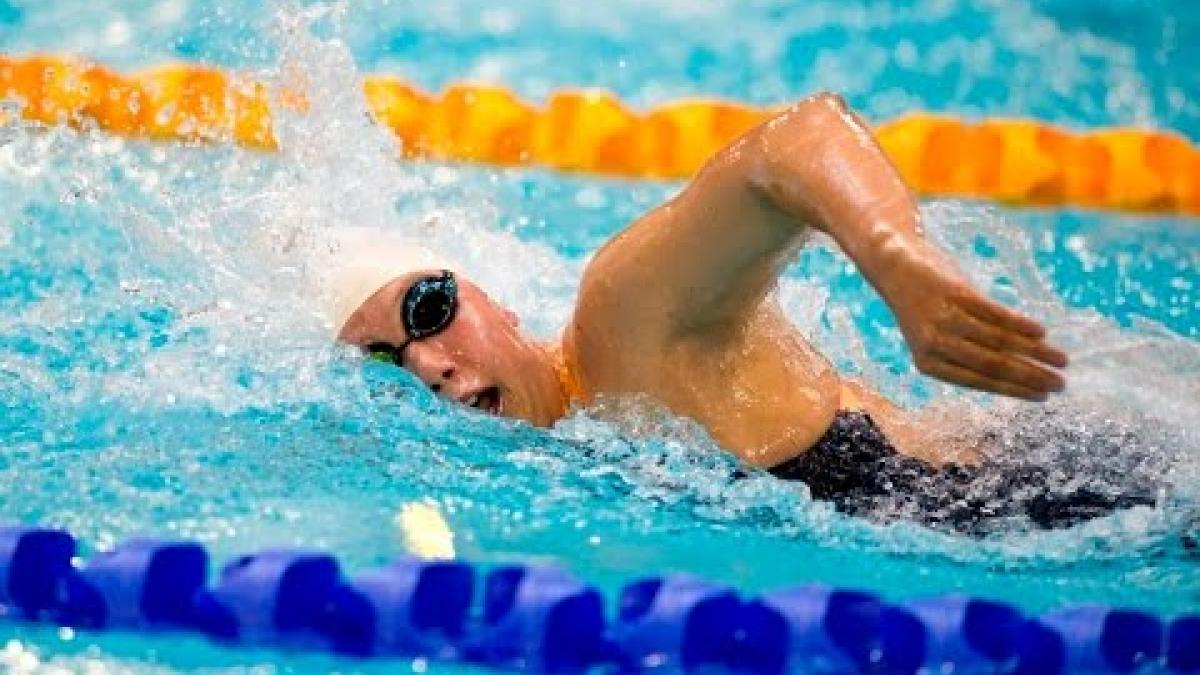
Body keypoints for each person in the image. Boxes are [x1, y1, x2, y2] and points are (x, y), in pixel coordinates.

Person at [323, 93, 1156, 533]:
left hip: (1075, 494)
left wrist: (899, 263)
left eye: (428, 309)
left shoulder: (624, 319)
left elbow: (793, 143)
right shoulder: (569, 447)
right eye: (384, 359)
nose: (425, 362)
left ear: (494, 300)